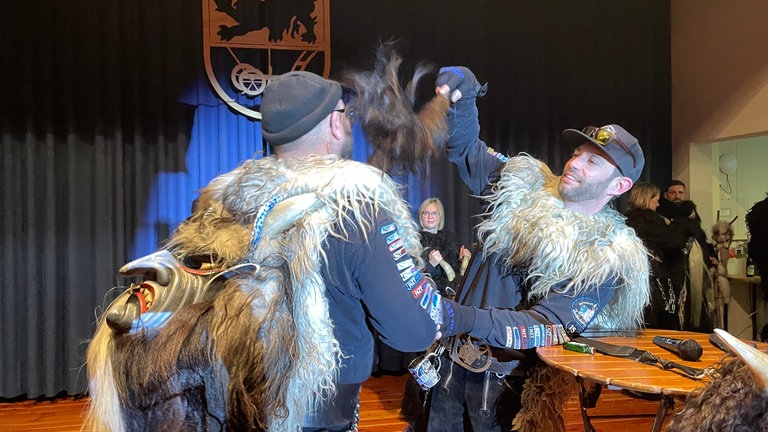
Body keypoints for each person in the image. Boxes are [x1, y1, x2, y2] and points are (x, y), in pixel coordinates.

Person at [83, 67, 447, 432]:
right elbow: (413, 332)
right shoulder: (356, 210)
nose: (349, 122)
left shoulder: (223, 202)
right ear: (334, 124)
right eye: (345, 114)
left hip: (235, 408)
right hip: (315, 417)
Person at [421, 67, 650, 432]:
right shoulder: (523, 183)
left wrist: (459, 317)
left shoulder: (605, 257)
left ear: (619, 184)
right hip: (447, 369)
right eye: (577, 153)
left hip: (502, 391)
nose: (574, 163)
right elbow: (467, 151)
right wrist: (464, 101)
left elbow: (547, 326)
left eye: (593, 162)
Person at [625, 182, 699, 330]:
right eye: (655, 199)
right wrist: (681, 224)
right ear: (646, 199)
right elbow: (672, 240)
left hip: (645, 281)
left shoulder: (633, 221)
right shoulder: (647, 222)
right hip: (655, 282)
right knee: (658, 323)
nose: (658, 204)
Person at [417, 197, 472, 297]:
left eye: (434, 213)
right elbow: (414, 279)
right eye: (426, 213)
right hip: (431, 296)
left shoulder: (451, 239)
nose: (430, 216)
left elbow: (459, 271)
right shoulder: (415, 241)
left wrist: (463, 258)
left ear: (440, 216)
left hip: (456, 295)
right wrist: (431, 265)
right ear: (421, 217)